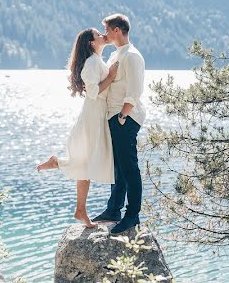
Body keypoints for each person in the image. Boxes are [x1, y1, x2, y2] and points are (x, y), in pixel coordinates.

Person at [36, 27, 119, 226]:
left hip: (99, 114)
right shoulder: (91, 63)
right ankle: (58, 164)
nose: (102, 36)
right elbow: (92, 92)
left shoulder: (97, 60)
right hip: (93, 116)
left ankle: (80, 210)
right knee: (87, 163)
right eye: (98, 35)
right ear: (91, 42)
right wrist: (111, 76)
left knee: (86, 165)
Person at [92, 13, 146, 235]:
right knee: (118, 168)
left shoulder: (132, 56)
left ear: (116, 30)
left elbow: (135, 90)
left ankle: (132, 215)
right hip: (114, 117)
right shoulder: (116, 54)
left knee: (129, 168)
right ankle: (113, 210)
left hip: (125, 117)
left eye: (107, 30)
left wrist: (123, 116)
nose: (105, 34)